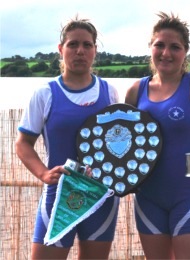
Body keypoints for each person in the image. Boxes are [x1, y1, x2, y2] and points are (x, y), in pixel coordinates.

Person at [125, 11, 190, 259]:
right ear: (150, 47)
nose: (166, 53)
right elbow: (122, 143)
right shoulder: (135, 91)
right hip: (147, 199)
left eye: (175, 47)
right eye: (159, 45)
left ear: (185, 52)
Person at [15, 15, 120, 260]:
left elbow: (120, 144)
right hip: (58, 196)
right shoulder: (45, 94)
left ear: (95, 51)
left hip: (100, 199)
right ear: (61, 49)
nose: (80, 51)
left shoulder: (109, 92)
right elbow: (23, 143)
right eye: (73, 44)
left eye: (87, 45)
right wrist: (43, 173)